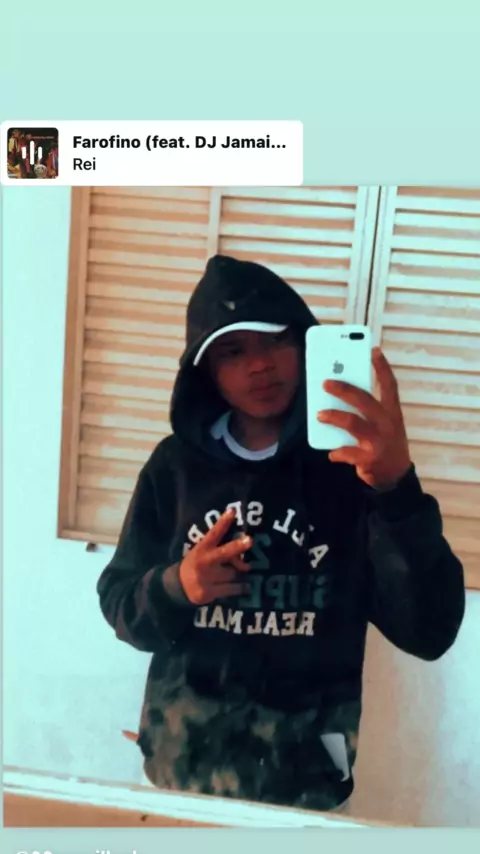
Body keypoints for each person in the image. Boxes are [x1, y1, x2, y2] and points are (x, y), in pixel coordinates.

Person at [96, 255, 465, 813]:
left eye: (275, 340)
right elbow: (120, 603)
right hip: (180, 771)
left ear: (305, 343)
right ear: (205, 369)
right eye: (232, 351)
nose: (259, 365)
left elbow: (430, 631)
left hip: (307, 786)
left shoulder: (352, 471)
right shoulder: (173, 469)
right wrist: (178, 586)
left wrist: (395, 488)